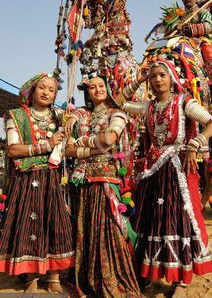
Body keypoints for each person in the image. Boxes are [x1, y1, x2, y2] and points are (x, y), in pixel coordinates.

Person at [115, 59, 212, 297]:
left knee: (180, 218)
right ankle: (154, 273)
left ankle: (182, 281)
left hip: (178, 169)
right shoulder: (148, 107)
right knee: (154, 219)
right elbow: (118, 104)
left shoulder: (184, 102)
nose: (158, 80)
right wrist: (138, 79)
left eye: (162, 75)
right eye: (153, 77)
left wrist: (195, 144)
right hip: (154, 171)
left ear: (172, 77)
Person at [65, 72, 141, 297]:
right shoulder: (80, 116)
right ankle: (88, 279)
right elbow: (68, 150)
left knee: (111, 230)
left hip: (107, 180)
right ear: (87, 93)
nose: (97, 89)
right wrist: (94, 148)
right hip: (83, 181)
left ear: (108, 89)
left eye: (101, 86)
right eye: (92, 87)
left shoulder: (116, 113)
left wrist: (81, 144)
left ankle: (113, 279)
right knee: (85, 230)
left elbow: (110, 139)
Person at [0, 72, 74, 293]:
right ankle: (31, 277)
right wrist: (47, 145)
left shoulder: (57, 115)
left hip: (52, 178)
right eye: (42, 87)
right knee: (27, 224)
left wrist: (74, 117)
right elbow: (13, 150)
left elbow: (78, 114)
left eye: (51, 90)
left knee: (56, 223)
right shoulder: (16, 115)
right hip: (26, 178)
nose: (46, 92)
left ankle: (54, 279)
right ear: (31, 91)